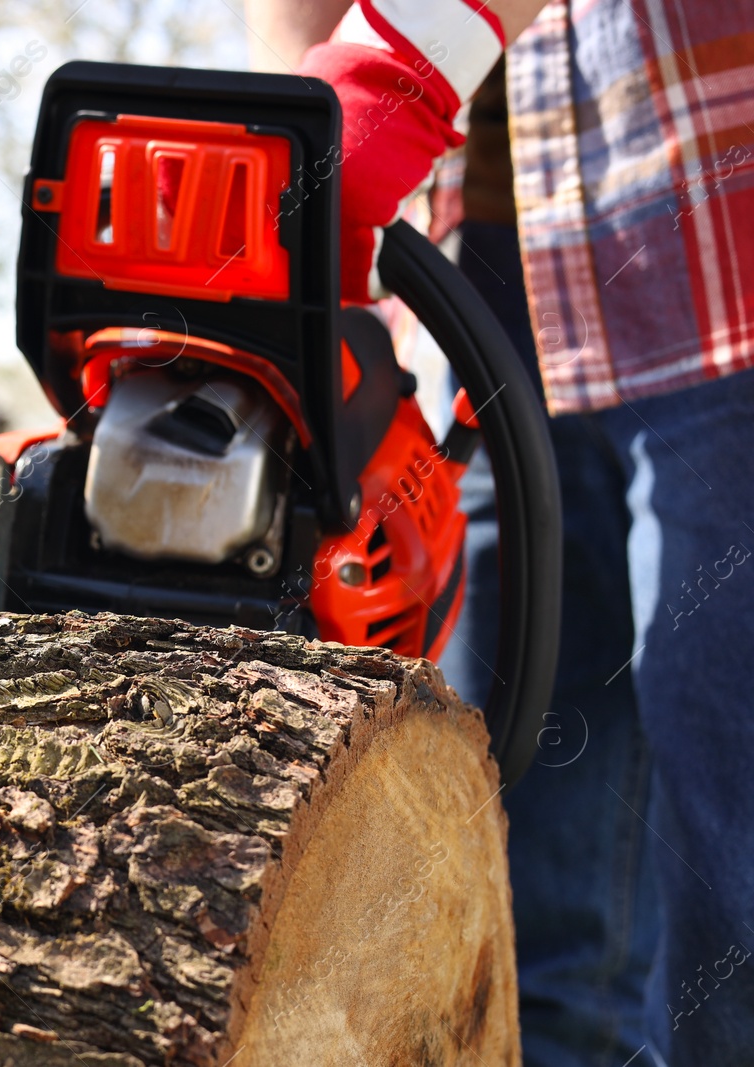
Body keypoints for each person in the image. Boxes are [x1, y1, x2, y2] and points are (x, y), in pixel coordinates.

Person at [243, 1, 754, 1063]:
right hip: (502, 265)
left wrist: (383, 94)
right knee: (515, 912)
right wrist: (300, 145)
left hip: (723, 211)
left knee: (731, 899)